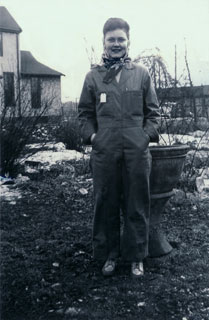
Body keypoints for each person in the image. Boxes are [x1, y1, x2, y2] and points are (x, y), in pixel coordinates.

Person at [78, 17, 160, 277]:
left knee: (137, 203)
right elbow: (84, 114)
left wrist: (144, 137)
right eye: (111, 39)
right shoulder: (93, 77)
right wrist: (93, 138)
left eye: (120, 39)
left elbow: (154, 113)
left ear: (128, 42)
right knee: (106, 203)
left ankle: (137, 257)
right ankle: (109, 255)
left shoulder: (141, 74)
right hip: (105, 153)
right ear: (103, 42)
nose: (116, 44)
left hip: (136, 153)